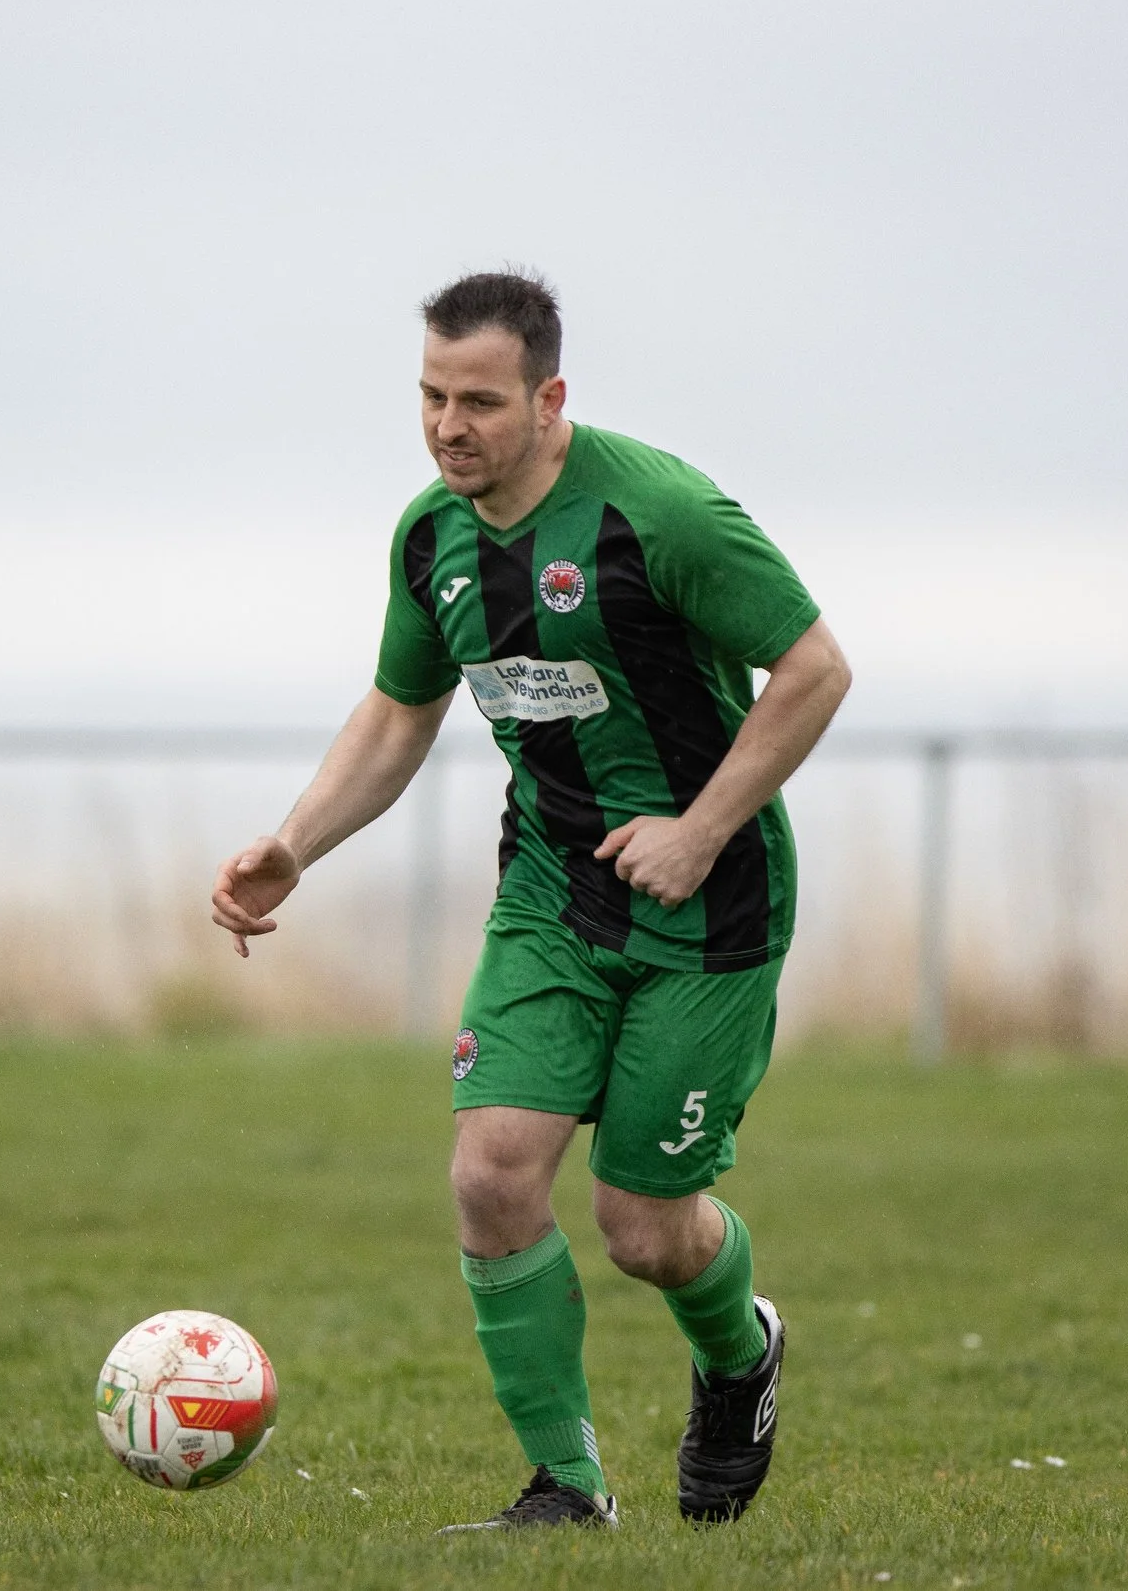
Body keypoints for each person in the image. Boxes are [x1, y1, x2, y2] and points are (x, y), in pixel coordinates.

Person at [210, 270, 851, 1530]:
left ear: (550, 399)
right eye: (432, 397)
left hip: (708, 912)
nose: (450, 425)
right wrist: (296, 843)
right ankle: (568, 1488)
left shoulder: (661, 513)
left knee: (641, 1228)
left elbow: (816, 668)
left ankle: (739, 1354)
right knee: (492, 1176)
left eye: (482, 401)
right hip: (552, 895)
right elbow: (401, 710)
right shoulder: (429, 538)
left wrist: (698, 827)